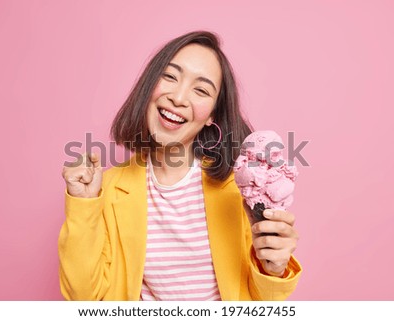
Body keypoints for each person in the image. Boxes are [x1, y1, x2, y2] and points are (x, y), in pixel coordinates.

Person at [59, 30, 302, 301]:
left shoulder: (238, 188)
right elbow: (83, 299)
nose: (179, 98)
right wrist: (83, 206)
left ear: (212, 114)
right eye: (170, 76)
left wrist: (274, 268)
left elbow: (263, 304)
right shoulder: (109, 188)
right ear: (150, 85)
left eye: (200, 90)